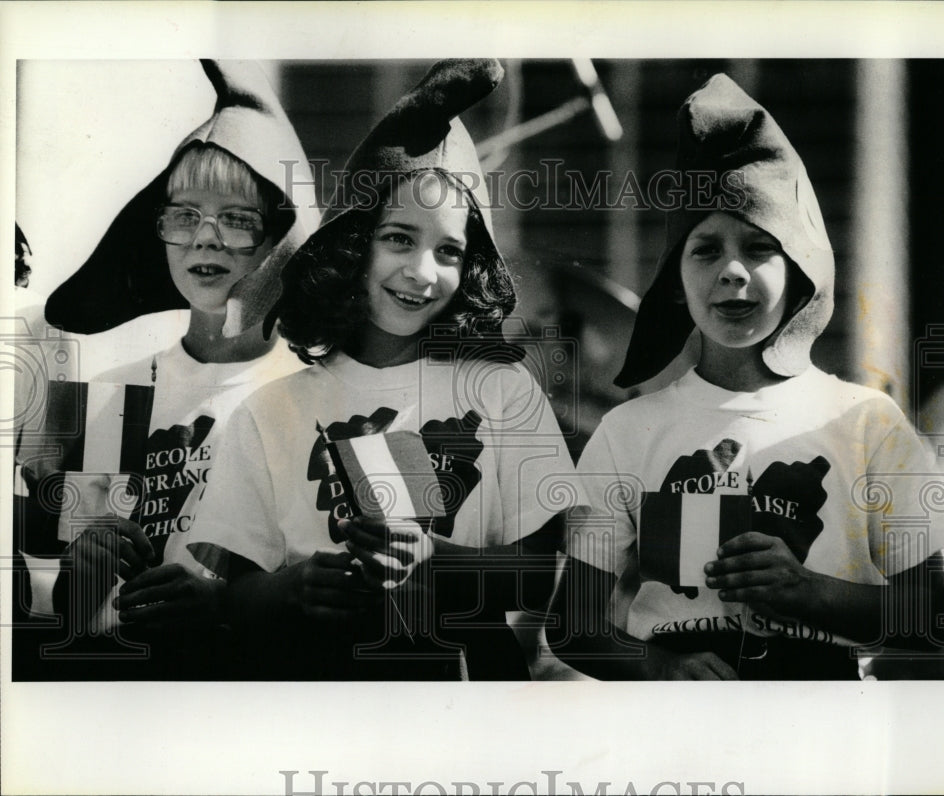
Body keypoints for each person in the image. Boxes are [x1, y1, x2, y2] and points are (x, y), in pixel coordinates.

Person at [547, 73, 944, 680]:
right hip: (677, 733)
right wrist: (661, 667)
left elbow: (932, 617)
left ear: (800, 266)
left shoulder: (865, 423)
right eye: (706, 249)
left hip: (819, 737)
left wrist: (807, 591)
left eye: (760, 246)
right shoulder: (628, 429)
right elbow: (572, 626)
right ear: (675, 277)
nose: (733, 271)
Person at [183, 59, 575, 680]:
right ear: (352, 244)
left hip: (467, 695)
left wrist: (434, 562)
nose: (422, 272)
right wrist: (296, 587)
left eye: (449, 250)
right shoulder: (271, 408)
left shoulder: (502, 390)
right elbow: (233, 596)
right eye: (398, 238)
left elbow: (541, 575)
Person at [17, 60, 319, 679]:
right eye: (183, 215)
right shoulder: (104, 395)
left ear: (282, 237)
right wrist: (88, 561)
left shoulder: (318, 397)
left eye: (236, 219)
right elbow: (69, 611)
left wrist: (234, 603)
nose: (204, 239)